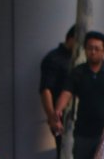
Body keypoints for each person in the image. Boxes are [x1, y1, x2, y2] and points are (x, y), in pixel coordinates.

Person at [52, 30, 104, 159]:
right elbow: (66, 93)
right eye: (90, 48)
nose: (93, 52)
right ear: (85, 49)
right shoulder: (78, 72)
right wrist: (58, 110)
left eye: (97, 49)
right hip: (84, 132)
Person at [40, 26, 77, 155]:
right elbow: (46, 89)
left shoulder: (76, 59)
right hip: (62, 116)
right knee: (64, 150)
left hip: (76, 116)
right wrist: (52, 117)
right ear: (71, 39)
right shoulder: (54, 59)